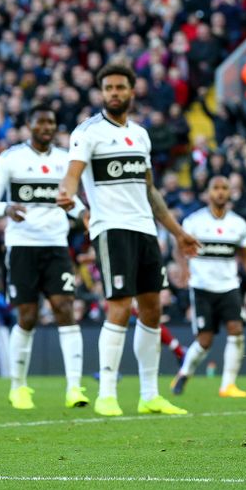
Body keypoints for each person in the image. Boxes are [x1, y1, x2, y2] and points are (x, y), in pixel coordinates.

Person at [57, 63, 198, 417]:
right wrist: (67, 193)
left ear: (132, 91)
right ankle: (107, 394)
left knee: (152, 309)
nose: (115, 93)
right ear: (102, 92)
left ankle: (149, 394)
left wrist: (178, 233)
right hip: (111, 227)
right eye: (109, 88)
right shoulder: (87, 132)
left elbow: (149, 191)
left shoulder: (140, 135)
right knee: (119, 306)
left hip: (145, 230)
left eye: (121, 87)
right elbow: (72, 175)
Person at [0, 105, 90, 410]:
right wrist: (6, 208)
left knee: (65, 308)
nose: (46, 127)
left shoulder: (64, 161)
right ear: (29, 124)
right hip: (22, 247)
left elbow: (72, 200)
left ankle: (74, 388)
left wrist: (84, 215)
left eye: (51, 123)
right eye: (40, 122)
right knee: (27, 316)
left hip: (55, 245)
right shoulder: (10, 158)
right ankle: (18, 387)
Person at [170, 176, 246, 398]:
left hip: (229, 287)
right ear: (208, 193)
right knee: (205, 341)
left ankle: (228, 385)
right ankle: (184, 373)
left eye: (224, 188)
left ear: (229, 193)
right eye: (215, 188)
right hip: (202, 287)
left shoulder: (237, 224)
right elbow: (178, 247)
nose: (220, 192)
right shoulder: (194, 221)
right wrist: (183, 268)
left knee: (236, 330)